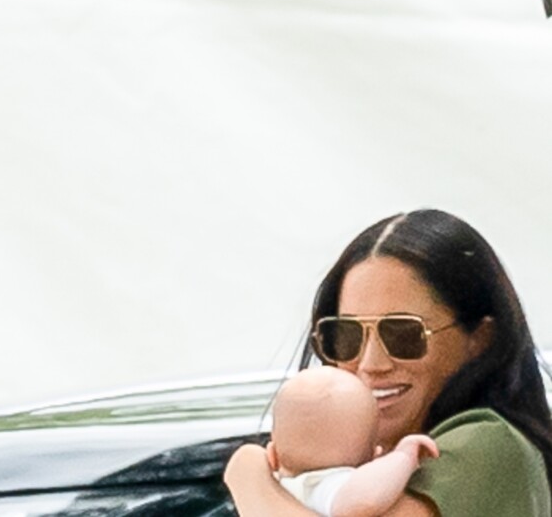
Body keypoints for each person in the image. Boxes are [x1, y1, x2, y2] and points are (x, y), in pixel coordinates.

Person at [224, 209, 552, 516]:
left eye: (404, 334)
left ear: (479, 339)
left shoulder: (486, 444)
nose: (370, 363)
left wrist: (249, 478)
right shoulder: (361, 464)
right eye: (347, 335)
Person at [268, 366, 439, 516]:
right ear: (374, 457)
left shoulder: (273, 489)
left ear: (272, 456)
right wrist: (403, 456)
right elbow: (364, 502)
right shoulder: (321, 485)